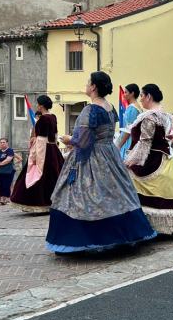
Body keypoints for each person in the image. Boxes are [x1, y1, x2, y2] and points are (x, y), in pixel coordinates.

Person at [46, 71, 156, 253]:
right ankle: (126, 233)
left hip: (91, 157)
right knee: (117, 193)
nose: (86, 85)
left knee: (81, 196)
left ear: (94, 87)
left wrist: (67, 139)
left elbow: (82, 140)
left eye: (88, 82)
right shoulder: (110, 107)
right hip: (109, 153)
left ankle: (84, 239)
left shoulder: (90, 110)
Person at [124, 83, 173, 235]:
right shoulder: (165, 115)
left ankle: (142, 226)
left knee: (129, 179)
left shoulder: (149, 116)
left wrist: (131, 161)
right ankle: (161, 228)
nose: (141, 99)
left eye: (142, 96)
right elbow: (172, 137)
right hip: (165, 160)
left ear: (149, 96)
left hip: (151, 159)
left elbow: (144, 143)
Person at [10, 95, 65, 213]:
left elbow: (40, 138)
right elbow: (54, 136)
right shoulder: (53, 117)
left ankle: (39, 203)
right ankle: (54, 202)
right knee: (53, 174)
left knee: (37, 173)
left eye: (38, 104)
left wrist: (33, 156)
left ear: (41, 105)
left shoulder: (43, 119)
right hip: (52, 148)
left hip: (43, 149)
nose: (37, 106)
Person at [115, 83, 141, 160]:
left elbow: (128, 130)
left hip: (129, 141)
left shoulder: (132, 108)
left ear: (132, 93)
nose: (124, 95)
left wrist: (118, 145)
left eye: (126, 92)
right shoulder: (137, 107)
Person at [0, 138, 15, 205]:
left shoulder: (10, 150)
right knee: (1, 185)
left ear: (7, 143)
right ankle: (2, 198)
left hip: (8, 170)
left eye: (4, 142)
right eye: (1, 142)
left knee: (7, 184)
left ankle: (8, 199)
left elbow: (8, 160)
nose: (2, 144)